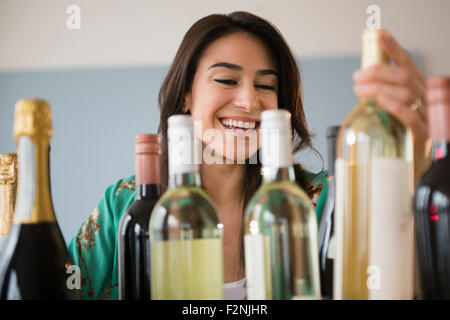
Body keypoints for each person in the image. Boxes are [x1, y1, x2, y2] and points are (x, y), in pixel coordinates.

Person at [68, 11, 429, 300]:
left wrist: (417, 157)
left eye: (266, 85)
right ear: (185, 97)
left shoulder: (318, 200)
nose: (249, 101)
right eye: (226, 80)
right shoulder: (125, 205)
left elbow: (393, 283)